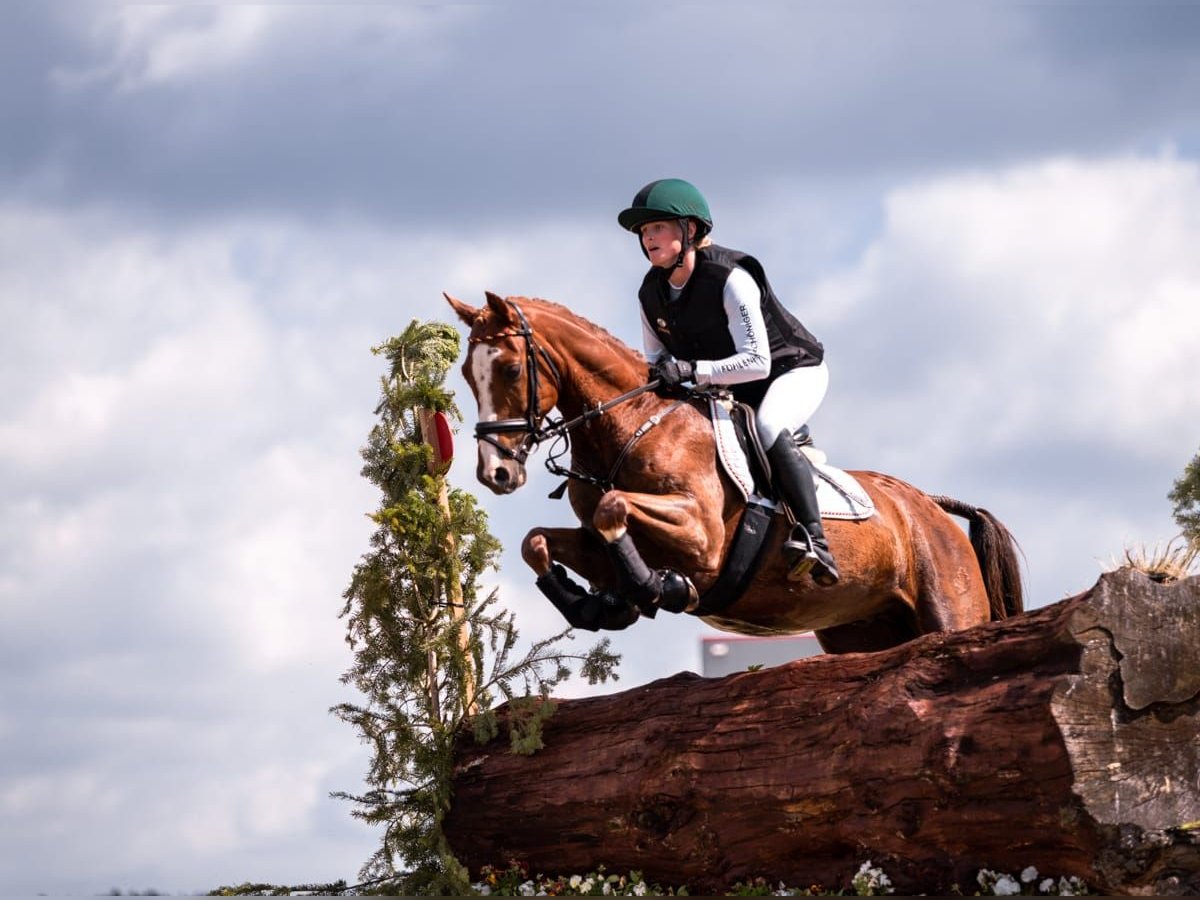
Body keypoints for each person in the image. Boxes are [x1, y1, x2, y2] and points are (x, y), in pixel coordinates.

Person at [617, 178, 838, 586]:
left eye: (658, 227)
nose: (649, 238)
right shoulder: (651, 294)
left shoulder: (730, 277)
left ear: (690, 230)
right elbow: (657, 362)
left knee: (770, 426)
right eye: (644, 232)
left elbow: (756, 362)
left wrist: (690, 371)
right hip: (729, 389)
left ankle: (814, 539)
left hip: (790, 372)